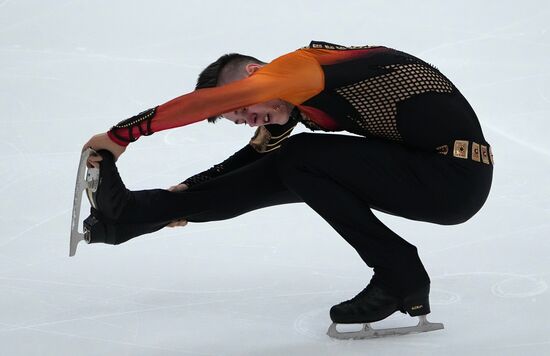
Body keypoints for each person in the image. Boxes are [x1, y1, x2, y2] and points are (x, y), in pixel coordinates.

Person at [81, 40, 493, 332]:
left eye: (242, 108)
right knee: (288, 165)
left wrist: (121, 136)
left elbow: (207, 107)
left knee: (300, 157)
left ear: (254, 75)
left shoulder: (300, 68)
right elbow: (252, 162)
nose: (251, 120)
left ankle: (398, 272)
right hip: (430, 175)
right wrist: (184, 194)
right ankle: (129, 216)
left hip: (453, 174)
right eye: (241, 119)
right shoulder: (297, 102)